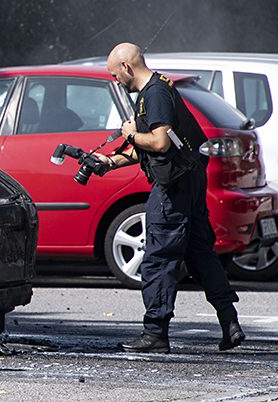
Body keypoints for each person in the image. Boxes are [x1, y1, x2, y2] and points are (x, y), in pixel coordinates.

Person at [97, 42, 245, 353]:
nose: (115, 80)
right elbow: (155, 147)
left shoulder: (153, 93)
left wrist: (129, 134)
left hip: (173, 191)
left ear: (126, 67)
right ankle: (230, 323)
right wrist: (110, 162)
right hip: (188, 182)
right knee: (200, 255)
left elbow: (160, 142)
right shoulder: (159, 87)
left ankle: (155, 334)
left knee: (158, 259)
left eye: (114, 74)